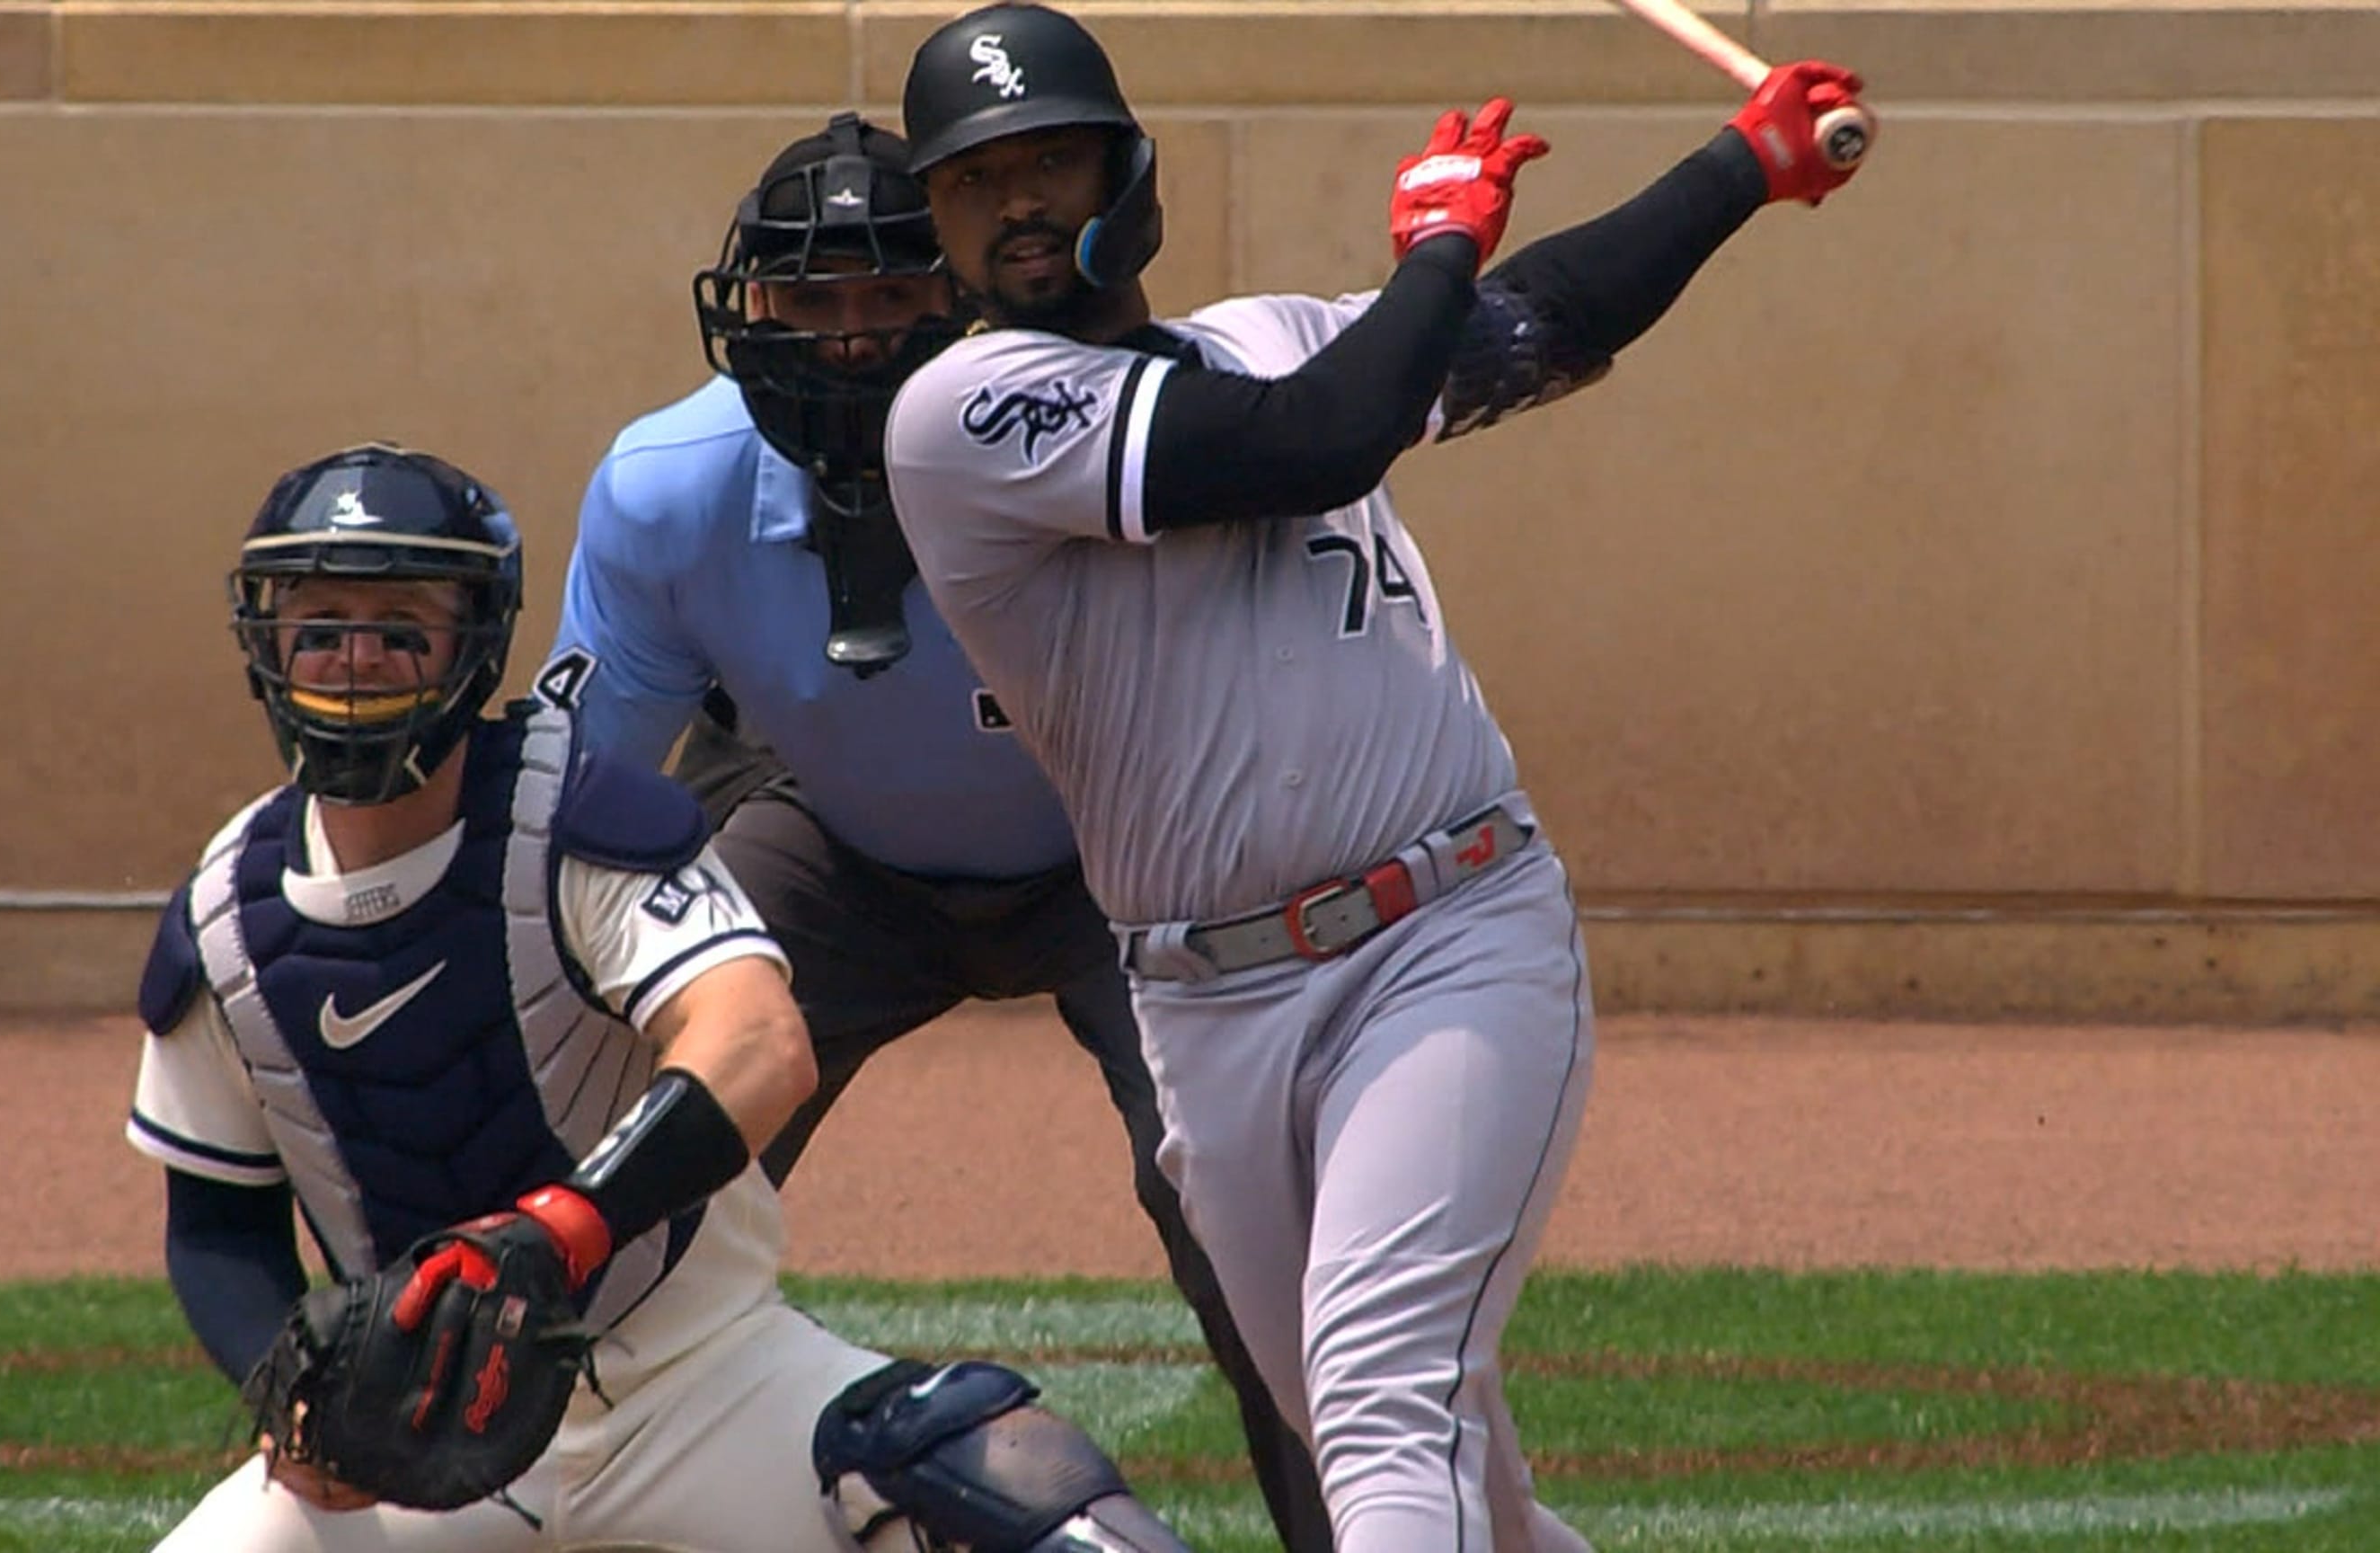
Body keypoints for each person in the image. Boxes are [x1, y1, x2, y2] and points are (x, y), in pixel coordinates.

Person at [877, 5, 1873, 1549]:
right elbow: (1315, 442)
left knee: (1378, 1399)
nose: (1015, 202)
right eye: (972, 179)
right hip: (1207, 1008)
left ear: (1126, 176)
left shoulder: (1273, 338)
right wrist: (1430, 252)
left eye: (1051, 160)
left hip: (1447, 932)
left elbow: (1537, 320)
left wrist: (1742, 165)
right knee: (1463, 1483)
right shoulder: (961, 415)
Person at [126, 441, 1200, 1552]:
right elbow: (215, 1226)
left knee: (1008, 1489)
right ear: (266, 648)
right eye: (321, 630)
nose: (356, 662)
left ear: (474, 644)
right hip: (428, 1441)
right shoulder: (225, 916)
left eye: (402, 628)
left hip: (705, 1379)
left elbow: (758, 1042)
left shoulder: (577, 821)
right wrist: (299, 1400)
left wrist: (561, 1230)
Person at [545, 112, 1334, 1550]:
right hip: (836, 839)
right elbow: (570, 803)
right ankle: (535, 1505)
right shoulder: (672, 482)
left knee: (1250, 1223)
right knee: (619, 1179)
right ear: (753, 308)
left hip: (1127, 853)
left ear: (962, 290)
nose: (851, 340)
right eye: (813, 300)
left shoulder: (1084, 430)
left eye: (893, 295)